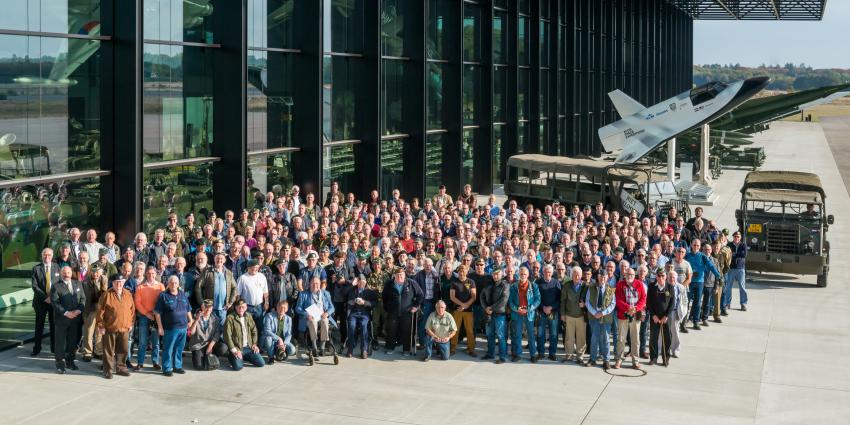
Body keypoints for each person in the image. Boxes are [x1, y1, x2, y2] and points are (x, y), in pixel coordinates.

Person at [96, 274, 135, 379]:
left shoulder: (128, 294)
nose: (119, 284)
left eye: (121, 282)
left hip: (124, 328)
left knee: (123, 349)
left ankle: (121, 368)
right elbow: (100, 312)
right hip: (110, 328)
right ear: (112, 283)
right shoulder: (106, 295)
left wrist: (131, 323)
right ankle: (108, 370)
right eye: (117, 282)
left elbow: (132, 310)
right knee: (108, 350)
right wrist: (101, 326)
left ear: (124, 283)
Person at [154, 275, 193, 376]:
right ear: (168, 284)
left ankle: (177, 366)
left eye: (175, 283)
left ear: (178, 284)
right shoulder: (163, 295)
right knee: (168, 348)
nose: (173, 285)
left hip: (183, 327)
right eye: (171, 283)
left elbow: (188, 309)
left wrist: (191, 320)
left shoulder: (182, 294)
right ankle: (166, 368)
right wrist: (160, 327)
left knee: (179, 348)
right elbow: (157, 313)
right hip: (170, 328)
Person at [51, 266, 86, 374]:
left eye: (68, 272)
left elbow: (83, 299)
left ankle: (70, 361)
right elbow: (55, 302)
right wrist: (66, 313)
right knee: (60, 343)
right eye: (64, 273)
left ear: (71, 273)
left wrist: (78, 311)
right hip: (62, 319)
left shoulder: (78, 284)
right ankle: (60, 364)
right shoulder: (56, 286)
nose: (66, 275)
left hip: (75, 319)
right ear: (61, 274)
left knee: (72, 342)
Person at [382, 268, 423, 356]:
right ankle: (390, 347)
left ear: (404, 275)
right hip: (393, 312)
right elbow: (384, 297)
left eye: (402, 275)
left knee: (407, 331)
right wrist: (388, 307)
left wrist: (415, 306)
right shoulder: (389, 283)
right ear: (394, 276)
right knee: (391, 330)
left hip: (407, 312)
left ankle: (406, 349)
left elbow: (420, 295)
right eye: (398, 275)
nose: (400, 276)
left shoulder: (411, 283)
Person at [684, 239, 721, 330]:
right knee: (686, 302)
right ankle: (683, 321)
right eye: (694, 245)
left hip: (700, 282)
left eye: (697, 245)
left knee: (697, 303)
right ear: (691, 245)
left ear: (700, 247)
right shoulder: (687, 255)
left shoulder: (703, 256)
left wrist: (718, 275)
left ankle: (696, 322)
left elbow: (711, 266)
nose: (696, 247)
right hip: (689, 282)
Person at [133, 266, 165, 371]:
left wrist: (155, 314)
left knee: (155, 342)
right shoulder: (140, 287)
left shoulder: (160, 286)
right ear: (146, 274)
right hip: (144, 316)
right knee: (142, 341)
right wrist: (147, 313)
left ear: (156, 274)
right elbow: (137, 303)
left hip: (157, 317)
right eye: (149, 273)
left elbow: (163, 302)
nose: (151, 275)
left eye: (153, 273)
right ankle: (140, 363)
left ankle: (155, 362)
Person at [614, 268, 646, 370]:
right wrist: (628, 308)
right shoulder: (620, 284)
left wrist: (636, 308)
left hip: (636, 315)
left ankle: (635, 361)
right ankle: (619, 359)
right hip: (623, 315)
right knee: (621, 339)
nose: (630, 275)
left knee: (635, 339)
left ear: (634, 274)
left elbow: (643, 298)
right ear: (625, 274)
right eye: (628, 274)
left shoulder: (639, 284)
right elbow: (617, 299)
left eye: (632, 274)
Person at [31, 248, 60, 357]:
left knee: (53, 325)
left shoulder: (57, 267)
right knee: (39, 326)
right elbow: (35, 286)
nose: (47, 257)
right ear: (42, 256)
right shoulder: (36, 268)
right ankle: (36, 348)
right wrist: (45, 298)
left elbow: (59, 284)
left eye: (49, 255)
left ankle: (54, 348)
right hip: (40, 302)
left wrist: (53, 298)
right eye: (45, 255)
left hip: (54, 302)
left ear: (52, 256)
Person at [295, 277, 335, 356]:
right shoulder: (303, 294)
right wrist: (307, 314)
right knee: (312, 321)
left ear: (320, 284)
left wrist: (327, 313)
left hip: (322, 317)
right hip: (310, 318)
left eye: (317, 283)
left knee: (325, 321)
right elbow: (298, 308)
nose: (315, 285)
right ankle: (314, 347)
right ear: (309, 284)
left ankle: (322, 348)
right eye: (313, 283)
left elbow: (332, 307)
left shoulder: (325, 293)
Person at [508, 267, 541, 363]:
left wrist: (529, 308)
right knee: (517, 335)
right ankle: (518, 354)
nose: (523, 276)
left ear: (528, 275)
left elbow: (538, 299)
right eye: (521, 274)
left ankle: (533, 354)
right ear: (519, 274)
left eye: (525, 274)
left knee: (531, 335)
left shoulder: (533, 286)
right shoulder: (514, 286)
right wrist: (516, 308)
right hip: (517, 313)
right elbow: (510, 301)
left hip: (529, 314)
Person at [197, 253, 238, 327]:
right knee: (210, 328)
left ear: (224, 260)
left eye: (221, 258)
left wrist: (231, 302)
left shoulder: (229, 273)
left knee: (222, 329)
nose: (219, 260)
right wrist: (202, 303)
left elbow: (235, 288)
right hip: (209, 307)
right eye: (217, 258)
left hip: (223, 308)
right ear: (214, 260)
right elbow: (198, 287)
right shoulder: (207, 271)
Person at [586, 270, 616, 370]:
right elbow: (587, 302)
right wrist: (595, 313)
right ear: (598, 277)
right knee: (594, 338)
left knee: (606, 339)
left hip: (605, 317)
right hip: (594, 317)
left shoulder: (611, 290)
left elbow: (613, 304)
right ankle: (592, 359)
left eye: (604, 277)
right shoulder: (591, 288)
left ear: (607, 278)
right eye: (601, 277)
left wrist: (602, 313)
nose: (602, 278)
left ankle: (606, 360)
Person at [223, 299, 265, 370]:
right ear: (235, 307)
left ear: (246, 307)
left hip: (248, 348)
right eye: (239, 307)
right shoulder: (230, 318)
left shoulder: (248, 316)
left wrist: (254, 344)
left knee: (261, 363)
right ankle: (231, 356)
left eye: (243, 307)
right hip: (237, 348)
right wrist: (234, 350)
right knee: (238, 367)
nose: (241, 309)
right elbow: (227, 336)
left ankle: (245, 356)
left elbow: (254, 330)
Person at [188, 299, 229, 370]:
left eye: (210, 307)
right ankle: (203, 357)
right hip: (198, 345)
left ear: (212, 308)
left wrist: (210, 346)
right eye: (206, 307)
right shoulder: (195, 317)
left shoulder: (215, 319)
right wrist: (196, 320)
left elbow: (217, 334)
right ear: (202, 307)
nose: (208, 309)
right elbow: (191, 333)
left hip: (209, 343)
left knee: (223, 347)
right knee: (199, 366)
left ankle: (210, 356)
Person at [479, 268, 509, 363]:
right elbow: (481, 296)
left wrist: (491, 308)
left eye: (497, 274)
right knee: (490, 335)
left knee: (501, 336)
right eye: (494, 274)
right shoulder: (489, 285)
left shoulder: (505, 285)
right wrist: (485, 308)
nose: (495, 276)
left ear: (501, 275)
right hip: (489, 314)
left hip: (499, 314)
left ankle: (502, 357)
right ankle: (490, 354)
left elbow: (503, 300)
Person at [560, 267, 588, 366]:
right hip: (569, 315)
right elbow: (562, 301)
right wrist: (562, 314)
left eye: (578, 274)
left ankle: (580, 356)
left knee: (581, 337)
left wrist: (585, 304)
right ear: (571, 275)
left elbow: (590, 301)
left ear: (581, 276)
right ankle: (569, 354)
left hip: (581, 316)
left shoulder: (586, 286)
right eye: (575, 274)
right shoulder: (566, 285)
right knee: (569, 337)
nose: (577, 276)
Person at [79, 264, 108, 362]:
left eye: (97, 272)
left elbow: (105, 295)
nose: (95, 274)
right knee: (88, 332)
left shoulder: (104, 280)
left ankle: (98, 351)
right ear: (90, 272)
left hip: (100, 311)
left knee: (99, 332)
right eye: (94, 271)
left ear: (100, 272)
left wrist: (104, 283)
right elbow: (90, 296)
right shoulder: (86, 282)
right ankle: (87, 352)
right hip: (90, 309)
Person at [647, 269, 674, 366]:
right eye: (659, 275)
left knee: (667, 338)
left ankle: (665, 358)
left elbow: (672, 303)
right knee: (653, 337)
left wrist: (666, 316)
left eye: (663, 276)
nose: (661, 278)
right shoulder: (651, 287)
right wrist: (653, 315)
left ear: (666, 276)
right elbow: (648, 303)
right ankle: (653, 358)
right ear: (656, 277)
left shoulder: (670, 287)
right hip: (655, 317)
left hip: (666, 318)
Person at [535, 264, 562, 361]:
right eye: (546, 272)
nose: (547, 274)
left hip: (553, 313)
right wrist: (543, 307)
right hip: (541, 312)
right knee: (540, 334)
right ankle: (541, 353)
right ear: (543, 272)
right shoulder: (538, 282)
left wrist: (551, 307)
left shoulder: (556, 283)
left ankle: (552, 353)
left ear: (552, 273)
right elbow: (536, 298)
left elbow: (560, 299)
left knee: (553, 334)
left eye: (549, 272)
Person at [449, 264, 477, 356]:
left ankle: (471, 349)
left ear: (467, 271)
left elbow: (473, 296)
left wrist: (465, 306)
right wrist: (462, 305)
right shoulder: (454, 282)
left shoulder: (470, 282)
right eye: (460, 270)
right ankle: (452, 348)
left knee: (469, 330)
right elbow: (452, 297)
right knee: (455, 330)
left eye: (463, 270)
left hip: (468, 311)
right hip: (457, 310)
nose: (462, 272)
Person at [346, 275, 377, 358]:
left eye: (363, 282)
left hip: (364, 313)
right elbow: (348, 301)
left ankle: (364, 349)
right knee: (351, 326)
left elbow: (374, 303)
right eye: (360, 282)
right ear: (357, 282)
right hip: (354, 312)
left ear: (365, 282)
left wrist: (364, 302)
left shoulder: (369, 291)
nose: (362, 283)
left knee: (364, 325)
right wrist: (355, 300)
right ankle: (350, 348)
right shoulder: (352, 290)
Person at [413, 257, 441, 349]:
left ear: (432, 266)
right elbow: (415, 291)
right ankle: (423, 343)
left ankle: (433, 343)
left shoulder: (435, 275)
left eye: (430, 265)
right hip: (424, 302)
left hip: (434, 302)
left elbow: (438, 290)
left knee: (434, 323)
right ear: (423, 265)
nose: (428, 267)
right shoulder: (418, 275)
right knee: (423, 323)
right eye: (426, 265)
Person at [236, 259, 269, 328]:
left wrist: (266, 303)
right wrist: (238, 306)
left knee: (259, 326)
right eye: (253, 267)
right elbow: (238, 294)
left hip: (259, 307)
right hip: (247, 307)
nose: (255, 269)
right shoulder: (242, 278)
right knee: (247, 327)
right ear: (248, 268)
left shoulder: (262, 277)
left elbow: (265, 292)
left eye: (256, 267)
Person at [725, 231, 748, 312]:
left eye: (738, 236)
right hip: (731, 268)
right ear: (733, 237)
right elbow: (727, 255)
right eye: (735, 236)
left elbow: (744, 254)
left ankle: (743, 304)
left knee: (742, 287)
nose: (736, 238)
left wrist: (734, 254)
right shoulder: (729, 245)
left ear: (740, 237)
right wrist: (737, 254)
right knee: (728, 287)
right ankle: (727, 303)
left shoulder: (743, 245)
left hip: (740, 268)